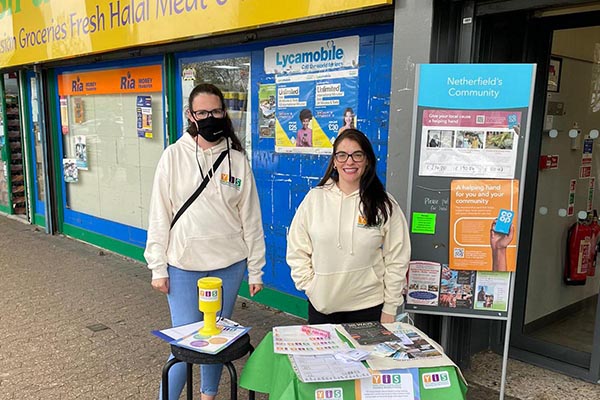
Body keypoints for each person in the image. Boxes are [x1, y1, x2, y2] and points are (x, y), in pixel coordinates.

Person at [144, 83, 266, 400]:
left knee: (216, 342)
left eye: (215, 111)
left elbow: (251, 218)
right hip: (183, 266)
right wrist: (157, 266)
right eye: (202, 112)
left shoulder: (237, 160)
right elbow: (159, 214)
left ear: (224, 113)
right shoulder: (172, 157)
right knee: (185, 347)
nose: (209, 117)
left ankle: (208, 396)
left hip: (228, 266)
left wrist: (256, 269)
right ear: (190, 115)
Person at [287, 129, 411, 324]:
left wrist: (390, 307)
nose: (349, 161)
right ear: (334, 161)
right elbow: (297, 247)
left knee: (366, 356)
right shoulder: (315, 199)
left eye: (357, 155)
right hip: (323, 308)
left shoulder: (383, 204)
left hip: (369, 308)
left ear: (367, 160)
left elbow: (398, 257)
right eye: (342, 155)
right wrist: (310, 285)